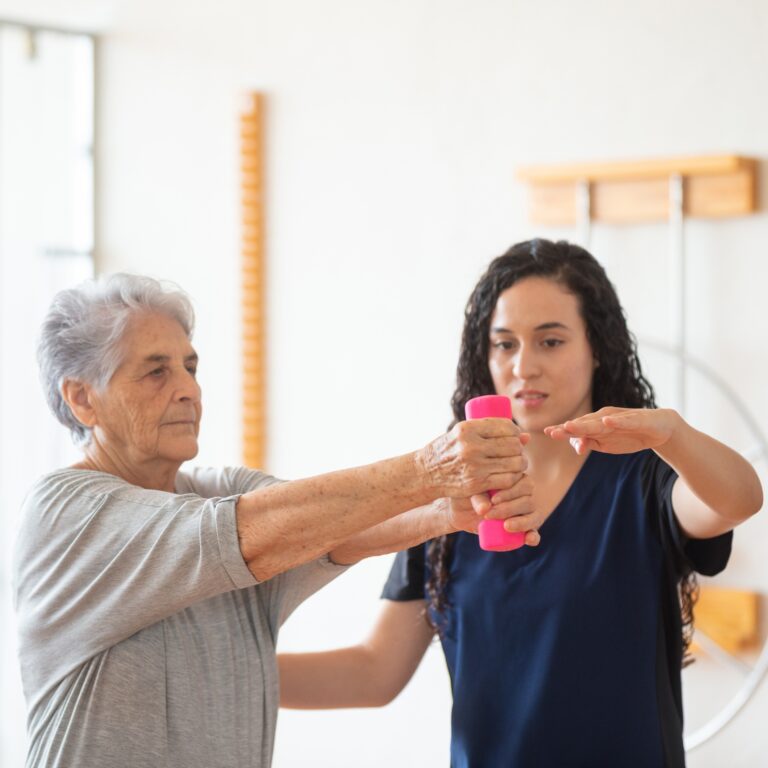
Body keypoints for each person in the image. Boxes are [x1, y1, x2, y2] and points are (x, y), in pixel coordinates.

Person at [278, 238, 763, 768]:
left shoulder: (644, 482)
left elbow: (738, 498)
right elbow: (374, 672)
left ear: (596, 347)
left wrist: (671, 432)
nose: (523, 366)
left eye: (550, 342)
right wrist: (227, 668)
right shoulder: (451, 503)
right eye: (504, 344)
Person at [12, 273, 530, 768]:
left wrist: (445, 511)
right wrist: (428, 470)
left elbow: (328, 529)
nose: (189, 390)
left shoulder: (222, 491)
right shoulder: (63, 514)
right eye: (156, 371)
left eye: (190, 367)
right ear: (82, 399)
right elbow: (244, 535)